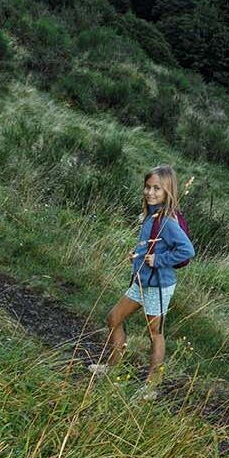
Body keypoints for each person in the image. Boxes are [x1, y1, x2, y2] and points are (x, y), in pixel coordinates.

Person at [92, 165, 195, 402]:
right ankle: (112, 367)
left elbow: (187, 250)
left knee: (155, 334)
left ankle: (151, 386)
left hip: (158, 285)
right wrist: (138, 253)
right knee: (113, 318)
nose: (150, 192)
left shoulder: (168, 221)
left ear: (168, 190)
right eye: (148, 187)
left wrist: (159, 260)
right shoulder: (152, 214)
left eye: (157, 188)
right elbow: (151, 243)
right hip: (141, 281)